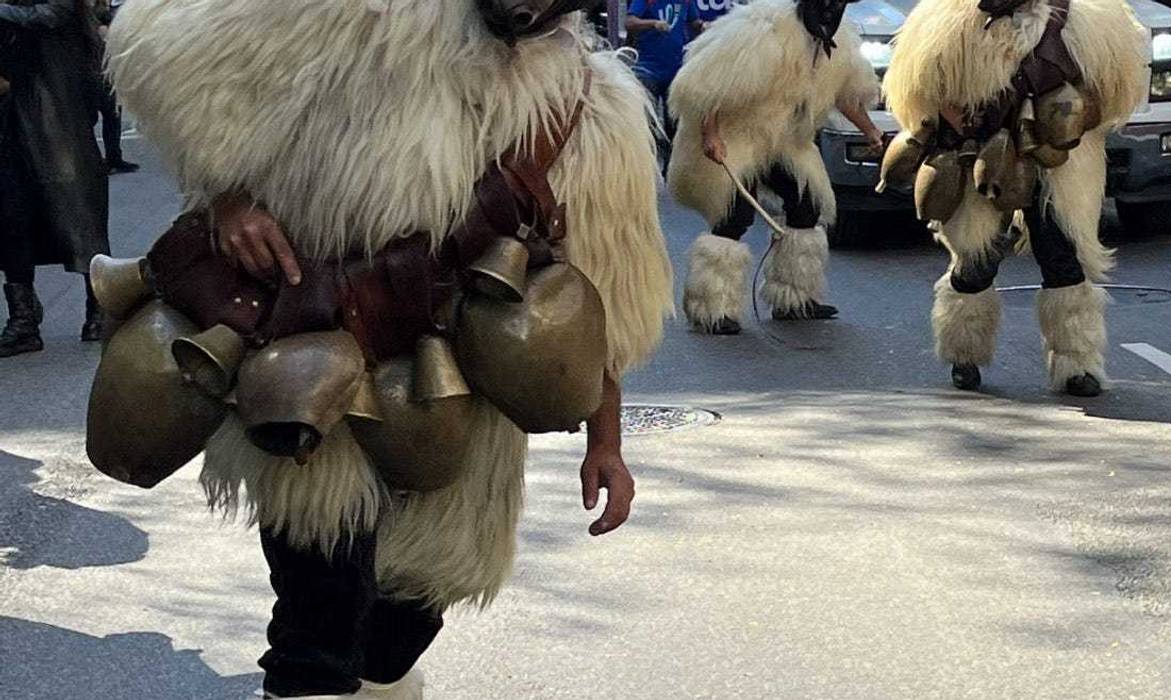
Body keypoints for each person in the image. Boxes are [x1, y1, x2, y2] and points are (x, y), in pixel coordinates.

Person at [104, 0, 674, 697]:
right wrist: (226, 197)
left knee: (408, 614)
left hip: (460, 395)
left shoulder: (592, 110)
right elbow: (164, 38)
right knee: (318, 625)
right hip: (309, 374)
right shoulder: (367, 15)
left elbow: (603, 296)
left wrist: (605, 443)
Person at [882, 0, 1149, 396]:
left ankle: (1077, 363)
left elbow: (1106, 96)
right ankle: (964, 351)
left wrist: (1069, 117)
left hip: (1061, 163)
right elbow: (921, 91)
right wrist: (962, 122)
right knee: (977, 259)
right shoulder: (947, 22)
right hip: (979, 156)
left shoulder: (1087, 23)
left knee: (1063, 254)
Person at [668, 0, 881, 335]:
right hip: (737, 135)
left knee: (808, 206)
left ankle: (795, 298)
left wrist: (869, 129)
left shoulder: (841, 43)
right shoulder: (761, 29)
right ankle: (712, 306)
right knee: (733, 216)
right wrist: (710, 133)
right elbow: (708, 84)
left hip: (786, 141)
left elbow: (844, 94)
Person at [0, 0, 109, 358]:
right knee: (10, 216)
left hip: (56, 111)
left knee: (80, 214)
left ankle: (99, 307)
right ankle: (23, 320)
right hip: (13, 111)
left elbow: (51, 14)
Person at [626, 0, 703, 168]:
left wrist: (704, 26)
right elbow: (630, 22)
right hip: (647, 69)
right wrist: (652, 23)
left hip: (675, 70)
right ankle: (645, 168)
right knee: (646, 124)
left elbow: (694, 22)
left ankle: (670, 170)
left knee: (674, 125)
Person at [94, 0, 138, 174]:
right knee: (93, 116)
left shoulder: (101, 8)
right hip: (90, 64)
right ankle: (105, 159)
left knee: (112, 112)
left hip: (103, 63)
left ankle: (113, 157)